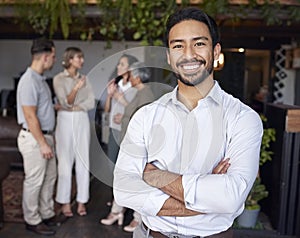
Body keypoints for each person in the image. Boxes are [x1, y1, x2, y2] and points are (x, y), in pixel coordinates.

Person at [113, 7, 263, 238]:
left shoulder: (242, 118)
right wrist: (205, 197)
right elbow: (123, 189)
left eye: (199, 43)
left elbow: (230, 197)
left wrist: (155, 176)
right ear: (169, 56)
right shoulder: (146, 116)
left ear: (215, 51)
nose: (188, 54)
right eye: (178, 45)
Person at [17, 38, 65, 236]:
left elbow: (38, 108)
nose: (54, 60)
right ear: (45, 57)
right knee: (35, 181)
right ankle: (32, 219)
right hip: (36, 139)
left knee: (49, 178)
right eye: (53, 57)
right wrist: (43, 143)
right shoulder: (28, 80)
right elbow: (29, 115)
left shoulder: (40, 79)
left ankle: (46, 214)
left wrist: (52, 108)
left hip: (46, 138)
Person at [110, 62, 156, 232]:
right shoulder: (140, 92)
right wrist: (123, 116)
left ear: (137, 77)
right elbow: (134, 113)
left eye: (131, 75)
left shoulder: (145, 93)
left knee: (137, 181)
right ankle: (117, 212)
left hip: (137, 146)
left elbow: (143, 120)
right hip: (129, 144)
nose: (129, 78)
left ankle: (137, 219)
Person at [53, 47, 95, 217]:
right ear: (70, 59)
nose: (82, 61)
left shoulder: (86, 79)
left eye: (82, 57)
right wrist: (77, 88)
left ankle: (81, 201)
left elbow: (91, 102)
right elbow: (66, 102)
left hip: (81, 119)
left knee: (83, 160)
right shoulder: (58, 79)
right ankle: (64, 202)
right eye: (79, 57)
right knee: (64, 161)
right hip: (64, 120)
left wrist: (74, 107)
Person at [100, 54, 138, 228]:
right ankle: (117, 201)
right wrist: (109, 96)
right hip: (113, 132)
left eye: (122, 64)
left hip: (127, 133)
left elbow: (135, 110)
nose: (119, 67)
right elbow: (107, 110)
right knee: (113, 167)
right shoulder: (116, 85)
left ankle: (121, 208)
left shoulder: (135, 86)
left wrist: (122, 114)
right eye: (119, 64)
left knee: (126, 170)